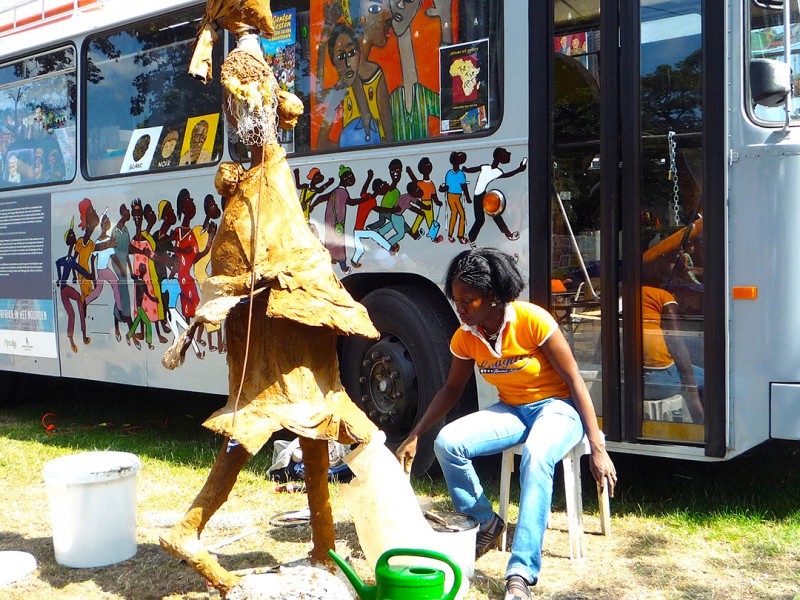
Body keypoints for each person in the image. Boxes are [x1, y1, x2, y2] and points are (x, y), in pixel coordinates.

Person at [396, 247, 616, 600]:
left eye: (469, 300)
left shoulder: (533, 320)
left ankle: (521, 574)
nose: (460, 308)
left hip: (557, 410)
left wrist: (598, 447)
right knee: (448, 443)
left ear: (494, 297)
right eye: (456, 300)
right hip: (512, 410)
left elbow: (575, 380)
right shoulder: (465, 336)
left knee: (536, 455)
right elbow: (451, 390)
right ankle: (486, 522)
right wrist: (415, 435)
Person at [641, 284, 704, 423]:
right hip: (658, 381)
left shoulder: (630, 294)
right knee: (710, 380)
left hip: (629, 383)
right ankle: (701, 424)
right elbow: (675, 341)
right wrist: (691, 388)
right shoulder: (663, 296)